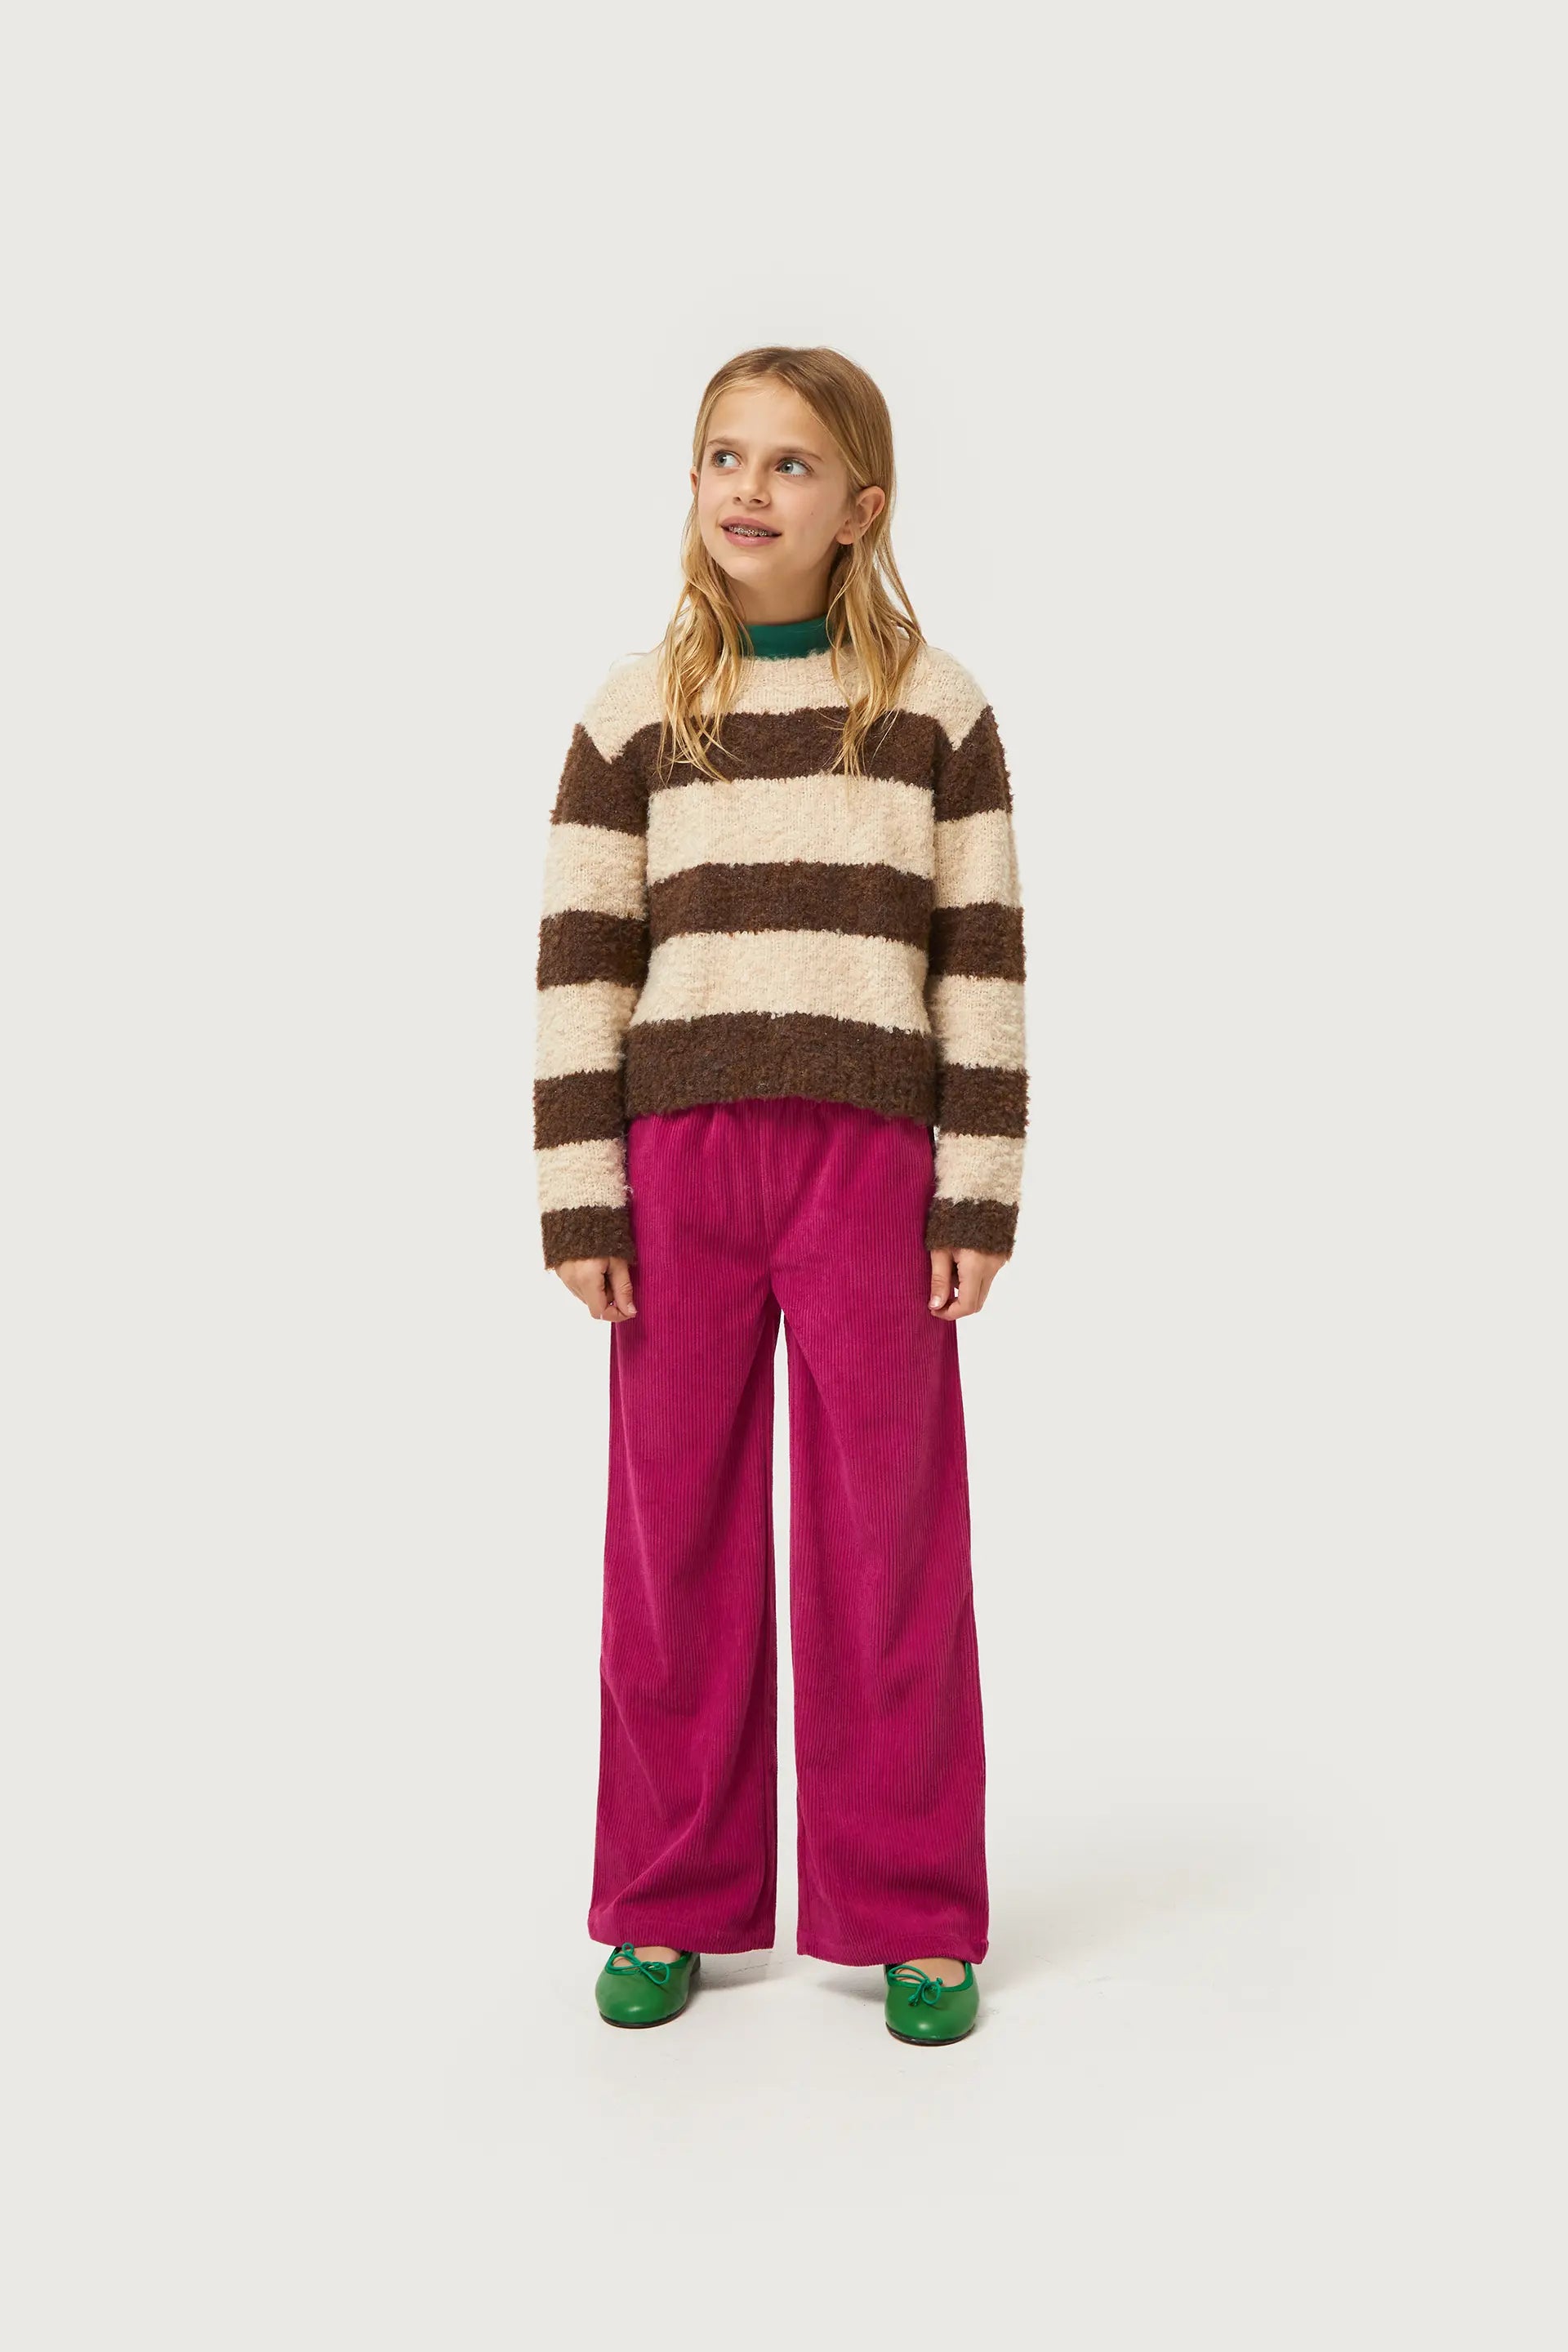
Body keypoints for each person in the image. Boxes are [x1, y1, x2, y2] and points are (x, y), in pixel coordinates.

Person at [532, 345, 1027, 2047]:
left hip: (874, 1163)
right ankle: (670, 1896)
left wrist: (978, 1191)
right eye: (725, 456)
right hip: (679, 1166)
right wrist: (583, 1200)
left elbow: (980, 966)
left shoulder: (937, 711)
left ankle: (912, 1909)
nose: (750, 489)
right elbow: (582, 968)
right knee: (672, 1538)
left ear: (860, 507)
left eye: (792, 465)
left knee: (893, 1539)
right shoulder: (634, 715)